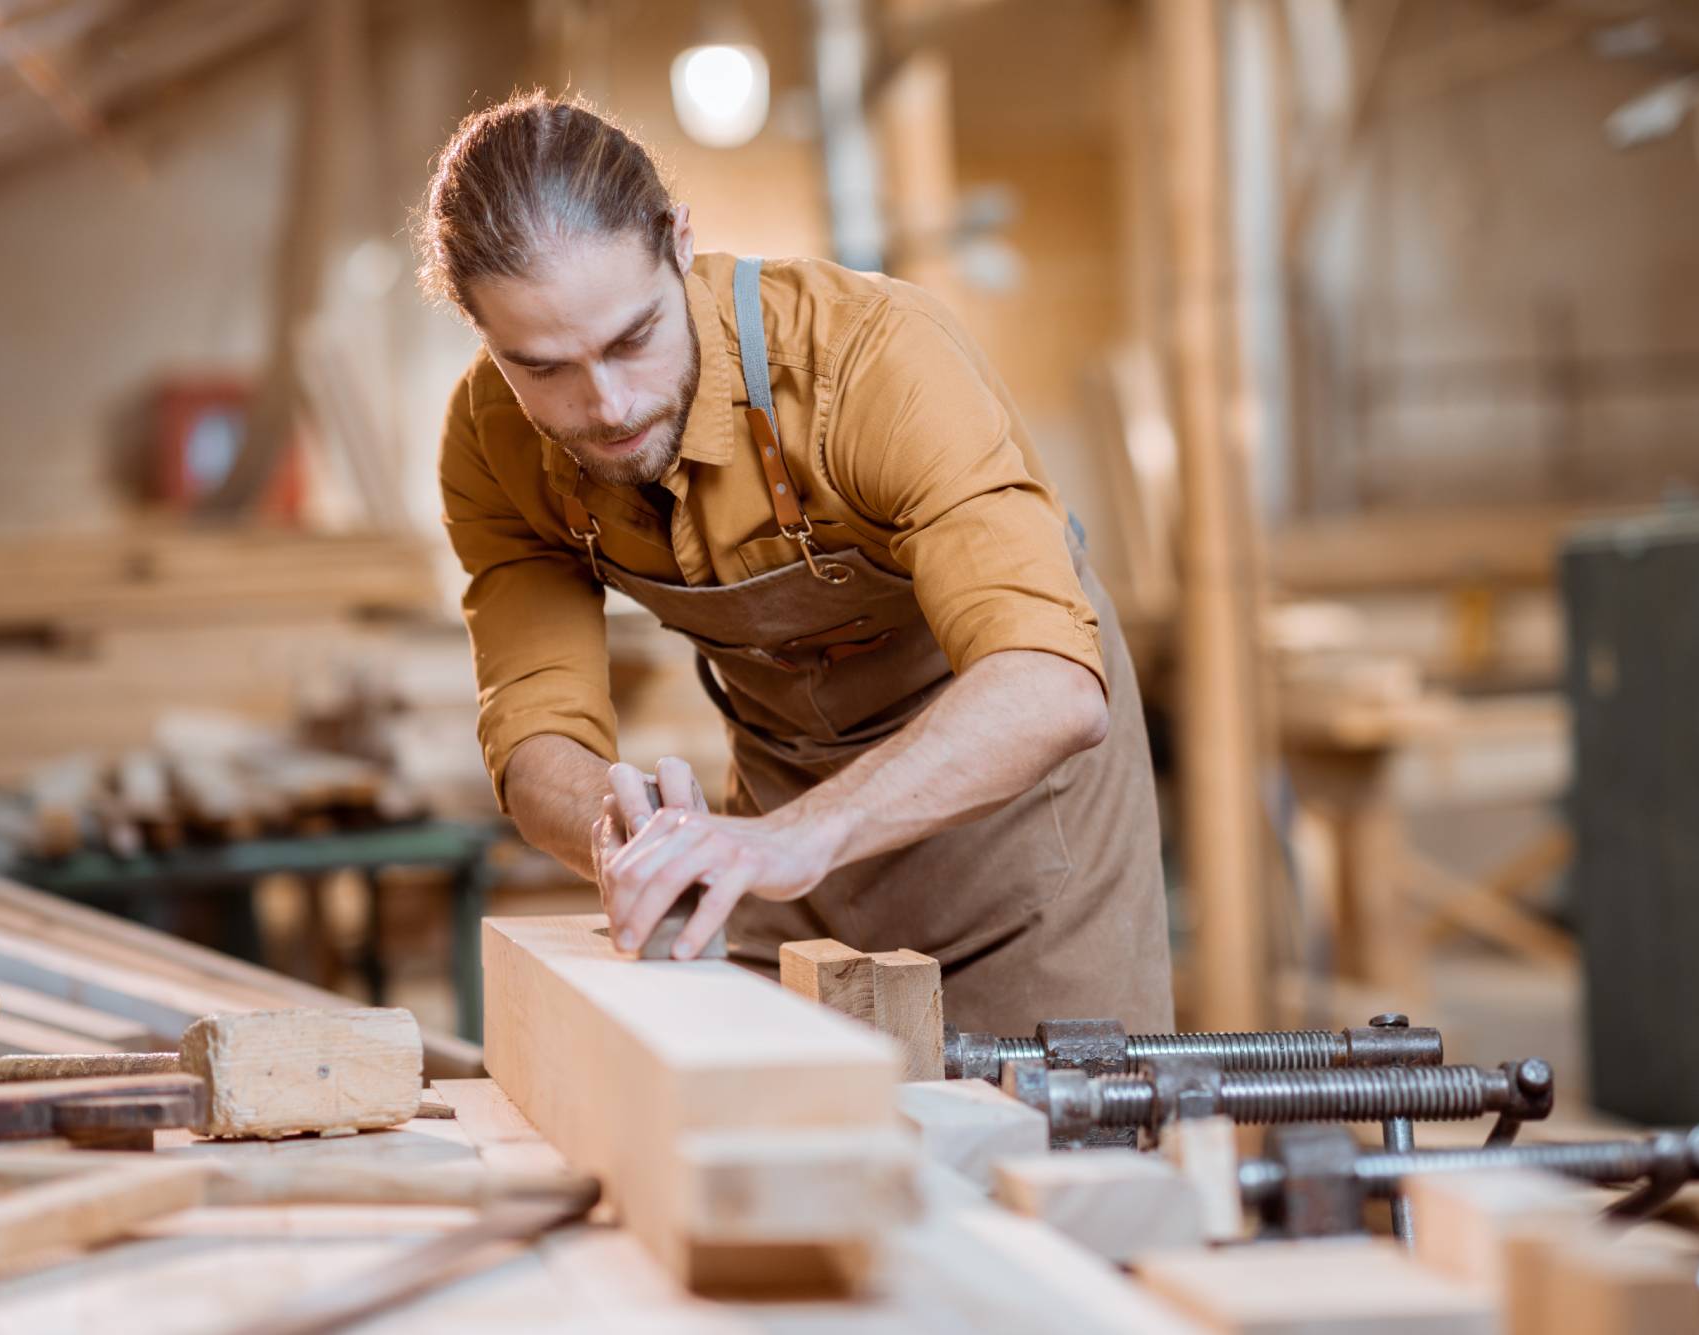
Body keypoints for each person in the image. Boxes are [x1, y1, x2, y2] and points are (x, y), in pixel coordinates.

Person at [418, 92, 1171, 1032]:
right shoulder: (492, 440)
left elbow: (1051, 686)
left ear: (680, 242)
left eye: (632, 339)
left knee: (1058, 1154)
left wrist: (796, 839)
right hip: (781, 844)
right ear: (483, 335)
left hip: (1016, 837)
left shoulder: (870, 359)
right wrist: (621, 838)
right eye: (543, 368)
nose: (605, 404)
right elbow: (535, 734)